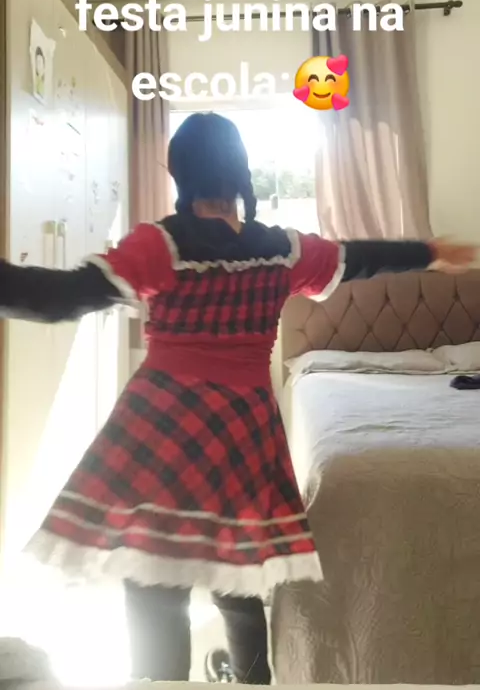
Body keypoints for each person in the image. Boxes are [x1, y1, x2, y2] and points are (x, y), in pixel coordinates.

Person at [0, 112, 475, 684]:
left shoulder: (160, 245)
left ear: (179, 173)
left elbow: (60, 297)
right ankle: (251, 682)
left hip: (161, 428)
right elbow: (357, 258)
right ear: (240, 172)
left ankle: (163, 684)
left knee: (155, 588)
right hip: (240, 431)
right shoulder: (281, 250)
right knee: (240, 582)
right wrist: (428, 251)